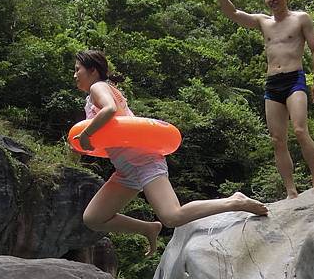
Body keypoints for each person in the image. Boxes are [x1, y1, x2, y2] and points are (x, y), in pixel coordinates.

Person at [72, 50, 268, 256]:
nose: (75, 75)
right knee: (93, 218)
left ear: (92, 71)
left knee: (172, 216)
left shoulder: (98, 87)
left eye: (78, 70)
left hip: (144, 160)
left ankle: (234, 201)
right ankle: (148, 228)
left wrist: (86, 134)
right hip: (125, 169)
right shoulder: (95, 95)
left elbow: (109, 109)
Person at [205, 0, 314, 199]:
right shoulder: (263, 21)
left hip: (294, 78)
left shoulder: (300, 18)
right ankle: (291, 191)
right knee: (277, 139)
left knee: (299, 129)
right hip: (273, 83)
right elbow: (233, 13)